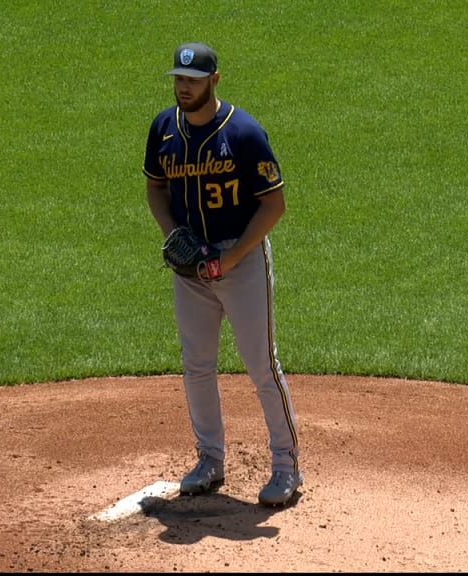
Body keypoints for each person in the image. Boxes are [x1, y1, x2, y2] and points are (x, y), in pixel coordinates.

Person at [142, 41, 302, 507]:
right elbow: (155, 188)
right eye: (178, 79)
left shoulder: (245, 133)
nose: (183, 87)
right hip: (191, 269)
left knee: (261, 365)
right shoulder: (163, 129)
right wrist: (175, 236)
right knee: (196, 365)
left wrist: (230, 259)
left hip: (241, 259)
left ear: (214, 80)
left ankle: (287, 466)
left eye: (191, 80)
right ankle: (210, 460)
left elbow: (275, 205)